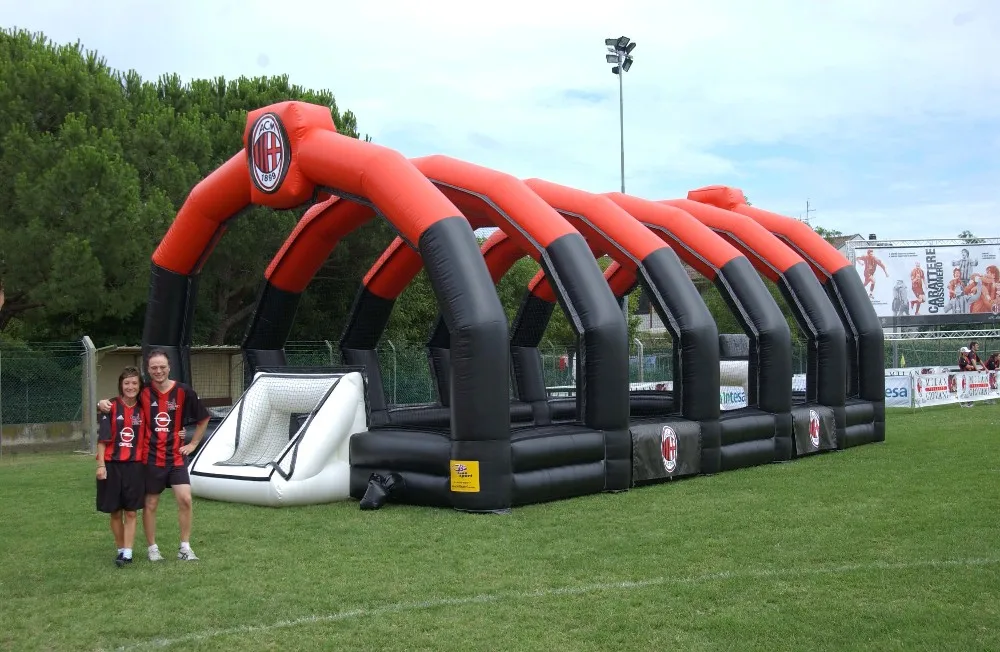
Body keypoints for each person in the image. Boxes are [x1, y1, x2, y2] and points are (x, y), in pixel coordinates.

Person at [99, 350, 211, 562]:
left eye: (162, 367)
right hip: (150, 458)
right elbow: (123, 400)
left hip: (176, 457)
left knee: (185, 499)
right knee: (150, 504)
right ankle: (152, 548)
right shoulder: (143, 392)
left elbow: (203, 418)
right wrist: (101, 403)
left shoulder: (183, 391)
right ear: (148, 370)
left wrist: (193, 443)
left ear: (169, 368)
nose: (158, 371)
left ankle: (185, 548)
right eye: (153, 368)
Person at [96, 366, 146, 567]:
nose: (131, 386)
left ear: (140, 385)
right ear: (121, 385)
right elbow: (103, 439)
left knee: (132, 512)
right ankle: (120, 548)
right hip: (112, 464)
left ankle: (128, 552)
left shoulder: (144, 408)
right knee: (115, 512)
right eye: (127, 383)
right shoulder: (111, 406)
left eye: (135, 382)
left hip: (135, 466)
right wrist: (100, 465)